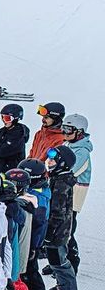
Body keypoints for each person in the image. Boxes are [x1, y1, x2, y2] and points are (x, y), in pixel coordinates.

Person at [44, 146, 78, 290]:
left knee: (58, 261)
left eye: (53, 160)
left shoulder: (61, 183)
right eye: (49, 159)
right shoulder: (57, 178)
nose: (48, 162)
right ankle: (62, 284)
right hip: (58, 229)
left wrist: (50, 231)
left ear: (63, 164)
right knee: (55, 258)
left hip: (58, 230)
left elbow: (58, 212)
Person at [19, 158, 52, 290]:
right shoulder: (34, 192)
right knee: (27, 272)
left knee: (30, 272)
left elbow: (38, 225)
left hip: (32, 241)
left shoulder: (38, 199)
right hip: (29, 240)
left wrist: (34, 247)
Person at [63, 114, 91, 273]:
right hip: (63, 191)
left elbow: (71, 170)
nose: (64, 132)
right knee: (59, 228)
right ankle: (59, 260)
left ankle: (72, 262)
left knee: (67, 229)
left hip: (74, 193)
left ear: (79, 131)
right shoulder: (68, 144)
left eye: (68, 129)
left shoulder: (82, 152)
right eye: (63, 128)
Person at [0, 103, 30, 172]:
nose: (4, 121)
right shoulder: (0, 131)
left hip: (11, 173)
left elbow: (3, 151)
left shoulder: (20, 135)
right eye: (2, 117)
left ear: (16, 119)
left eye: (7, 118)